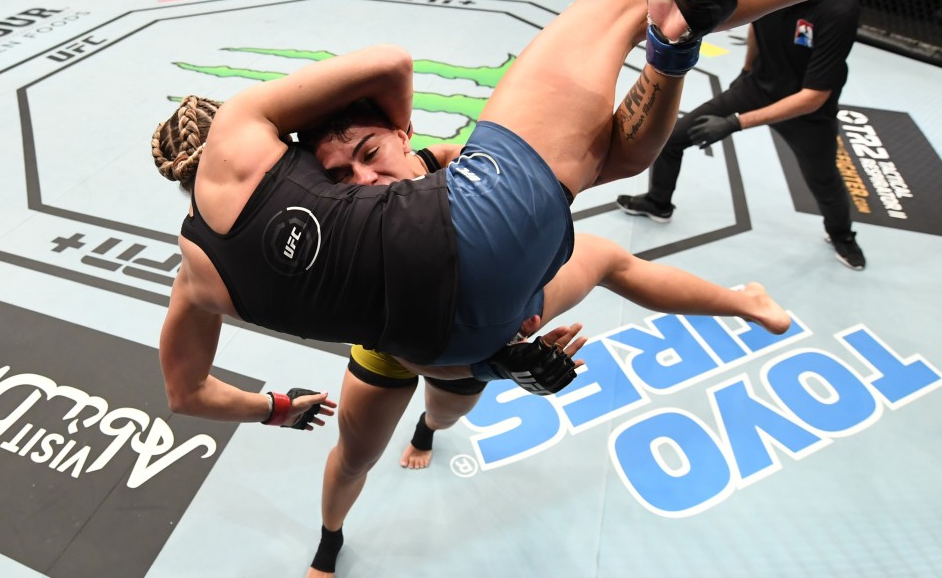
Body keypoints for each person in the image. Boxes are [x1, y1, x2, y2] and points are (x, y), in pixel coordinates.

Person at [149, 0, 925, 461]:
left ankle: (672, 56)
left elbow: (185, 395)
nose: (356, 174)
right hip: (461, 255)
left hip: (455, 337)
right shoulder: (251, 136)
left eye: (365, 155)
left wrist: (279, 408)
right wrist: (399, 130)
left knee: (597, 171)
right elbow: (390, 63)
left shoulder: (197, 286)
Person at [298, 104, 794, 577]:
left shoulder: (443, 169)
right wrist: (501, 365)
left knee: (449, 412)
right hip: (401, 347)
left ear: (404, 137)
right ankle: (330, 537)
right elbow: (428, 356)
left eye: (370, 154)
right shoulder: (338, 225)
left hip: (485, 326)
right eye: (341, 177)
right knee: (356, 456)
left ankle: (745, 300)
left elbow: (458, 159)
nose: (363, 181)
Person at [617, 0, 868, 270]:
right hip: (757, 86)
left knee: (824, 180)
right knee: (671, 140)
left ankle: (842, 235)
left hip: (805, 110)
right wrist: (748, 72)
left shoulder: (839, 8)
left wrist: (735, 122)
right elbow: (758, 21)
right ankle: (658, 202)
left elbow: (814, 96)